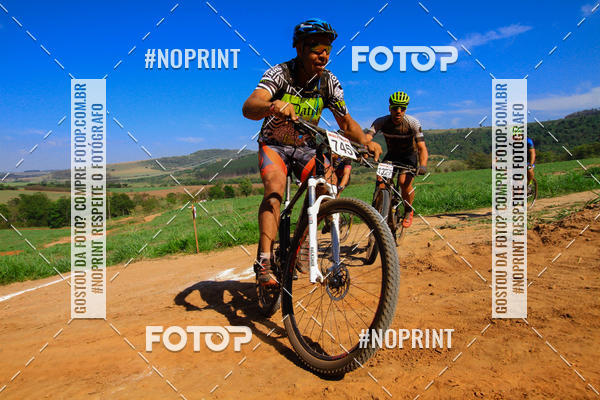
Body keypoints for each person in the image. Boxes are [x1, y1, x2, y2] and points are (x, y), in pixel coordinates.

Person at [242, 18, 382, 287]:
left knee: (327, 187)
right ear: (299, 48)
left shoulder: (329, 82)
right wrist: (273, 105)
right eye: (317, 48)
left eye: (328, 49)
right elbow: (250, 106)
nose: (324, 55)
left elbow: (346, 122)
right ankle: (264, 260)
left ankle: (300, 242)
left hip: (305, 146)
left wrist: (366, 141)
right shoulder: (280, 74)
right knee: (274, 190)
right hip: (274, 144)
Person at [366, 91, 428, 228]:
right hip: (392, 155)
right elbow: (367, 138)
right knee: (381, 181)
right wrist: (365, 146)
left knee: (403, 182)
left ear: (405, 109)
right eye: (395, 108)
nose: (398, 111)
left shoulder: (412, 123)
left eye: (402, 108)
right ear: (390, 108)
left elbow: (422, 148)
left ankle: (408, 210)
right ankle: (380, 207)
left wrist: (423, 165)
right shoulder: (381, 121)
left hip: (409, 157)